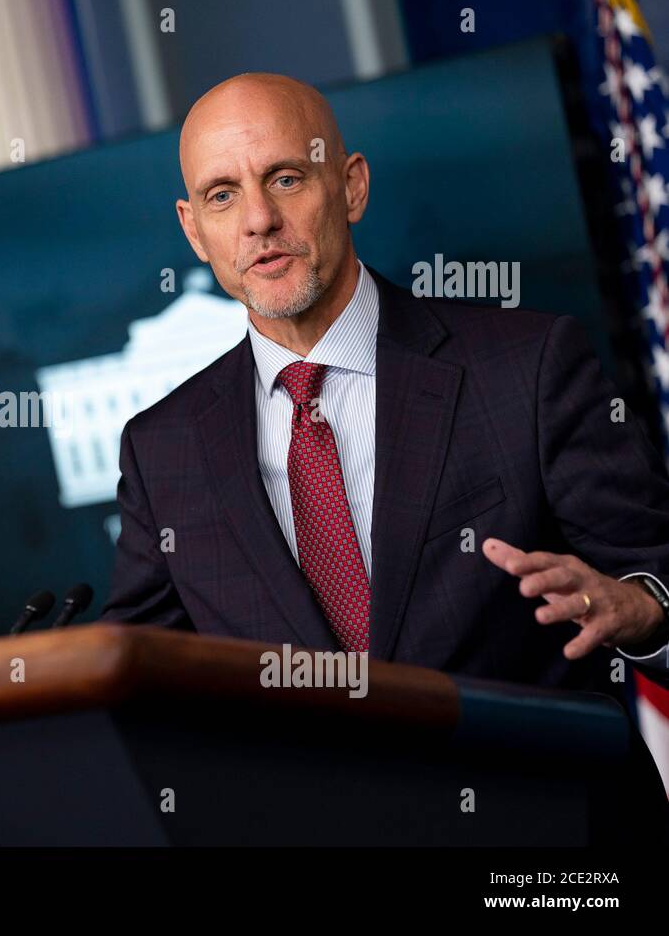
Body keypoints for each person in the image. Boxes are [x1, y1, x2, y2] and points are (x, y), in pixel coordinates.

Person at [101, 74, 669, 694]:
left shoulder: (527, 366)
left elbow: (653, 571)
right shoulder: (162, 452)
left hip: (534, 784)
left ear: (351, 187)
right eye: (222, 195)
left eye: (285, 178)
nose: (259, 220)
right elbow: (136, 678)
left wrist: (639, 612)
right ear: (194, 231)